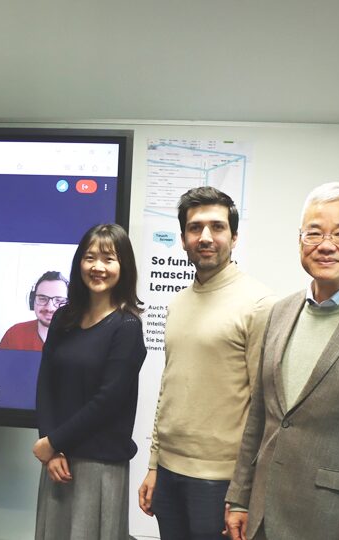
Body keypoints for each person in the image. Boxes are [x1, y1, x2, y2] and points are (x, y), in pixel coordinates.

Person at [225, 182, 339, 540]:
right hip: (263, 517)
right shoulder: (280, 312)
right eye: (314, 233)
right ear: (300, 240)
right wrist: (240, 498)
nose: (325, 245)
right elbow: (260, 416)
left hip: (338, 524)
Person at [137, 186, 274, 540]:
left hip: (221, 481)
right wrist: (154, 466)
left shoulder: (258, 304)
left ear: (234, 236)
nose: (206, 237)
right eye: (196, 228)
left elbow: (265, 406)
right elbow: (169, 389)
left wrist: (245, 492)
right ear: (183, 239)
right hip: (168, 474)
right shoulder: (177, 304)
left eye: (217, 227)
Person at [32, 223, 146, 540]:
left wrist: (55, 442)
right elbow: (46, 384)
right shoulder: (63, 318)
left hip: (100, 466)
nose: (97, 267)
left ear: (123, 267)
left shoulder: (126, 328)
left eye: (108, 259)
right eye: (90, 257)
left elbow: (108, 401)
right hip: (58, 462)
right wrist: (50, 446)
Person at [0, 271, 69, 351]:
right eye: (42, 299)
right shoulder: (15, 333)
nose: (49, 308)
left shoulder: (82, 338)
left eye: (59, 300)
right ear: (32, 301)